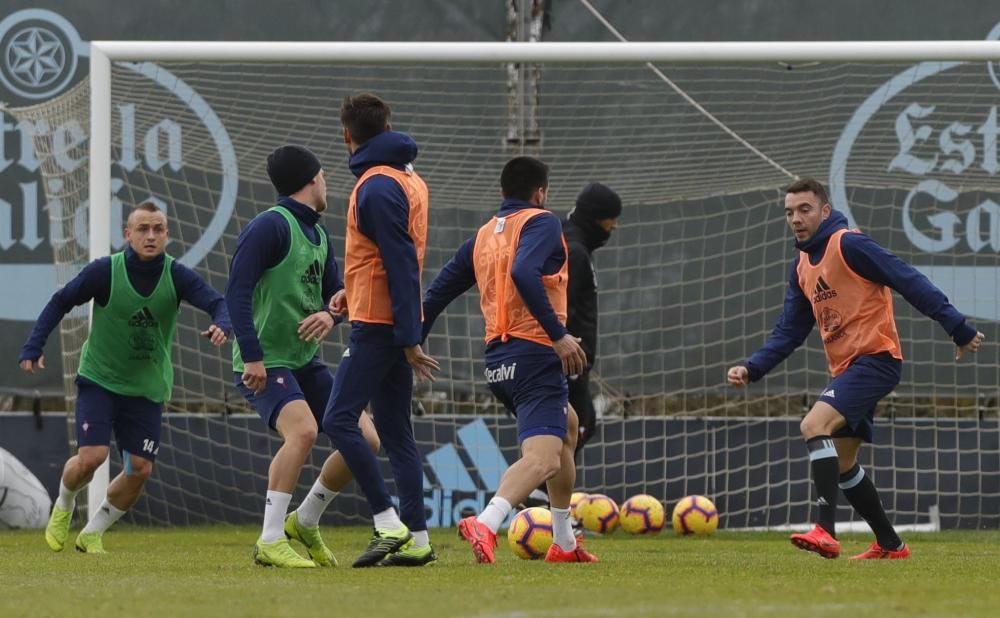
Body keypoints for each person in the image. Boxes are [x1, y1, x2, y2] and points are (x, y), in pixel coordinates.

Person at [726, 178, 984, 559]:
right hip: (848, 370)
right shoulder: (801, 266)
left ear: (825, 211)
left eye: (804, 210)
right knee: (844, 464)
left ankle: (825, 531)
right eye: (789, 212)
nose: (795, 218)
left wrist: (957, 327)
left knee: (813, 425)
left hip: (877, 360)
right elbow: (790, 329)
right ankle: (891, 544)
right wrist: (753, 367)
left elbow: (908, 279)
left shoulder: (848, 244)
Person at [18, 202, 230, 554]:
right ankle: (65, 503)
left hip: (146, 388)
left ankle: (91, 534)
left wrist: (222, 325)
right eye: (143, 228)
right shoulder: (105, 272)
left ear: (167, 234)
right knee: (92, 457)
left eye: (158, 229)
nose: (150, 236)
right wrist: (33, 344)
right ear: (128, 234)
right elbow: (61, 301)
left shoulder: (177, 276)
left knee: (140, 468)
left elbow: (218, 303)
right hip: (100, 379)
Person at [422, 156, 598, 564]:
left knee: (568, 427)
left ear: (503, 193)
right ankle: (486, 521)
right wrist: (559, 336)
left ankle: (563, 544)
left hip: (499, 360)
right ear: (540, 193)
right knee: (544, 458)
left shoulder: (484, 235)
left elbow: (437, 292)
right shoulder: (542, 221)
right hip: (535, 353)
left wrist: (415, 341)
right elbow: (524, 271)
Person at [227, 144, 381, 568]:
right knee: (304, 433)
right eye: (324, 175)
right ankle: (270, 538)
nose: (327, 181)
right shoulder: (269, 227)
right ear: (312, 179)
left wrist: (332, 313)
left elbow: (336, 297)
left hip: (304, 360)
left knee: (365, 439)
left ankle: (306, 519)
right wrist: (253, 356)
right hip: (266, 362)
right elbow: (236, 292)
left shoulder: (318, 233)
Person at [322, 93, 439, 568]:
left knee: (337, 419)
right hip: (379, 313)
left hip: (379, 325)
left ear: (347, 136)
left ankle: (388, 523)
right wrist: (351, 290)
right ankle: (418, 537)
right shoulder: (408, 178)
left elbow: (400, 263)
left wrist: (409, 336)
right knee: (394, 429)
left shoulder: (374, 186)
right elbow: (385, 256)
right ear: (388, 125)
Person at [526, 182, 622, 507]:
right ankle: (534, 499)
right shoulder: (574, 251)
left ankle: (542, 503)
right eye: (611, 219)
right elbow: (558, 304)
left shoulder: (574, 244)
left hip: (573, 357)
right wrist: (561, 343)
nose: (614, 226)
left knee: (574, 428)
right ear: (597, 218)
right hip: (566, 358)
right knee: (568, 429)